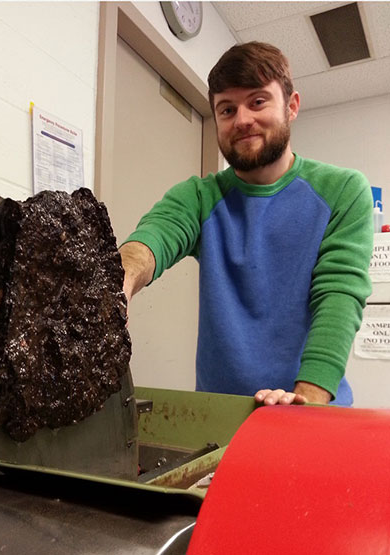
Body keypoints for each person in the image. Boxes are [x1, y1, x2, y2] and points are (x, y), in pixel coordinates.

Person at [119, 42, 372, 407]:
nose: (242, 120)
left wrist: (308, 401)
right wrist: (118, 285)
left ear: (292, 106)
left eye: (257, 101)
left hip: (312, 412)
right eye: (227, 109)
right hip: (220, 421)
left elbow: (339, 296)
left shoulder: (343, 190)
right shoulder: (199, 196)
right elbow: (154, 237)